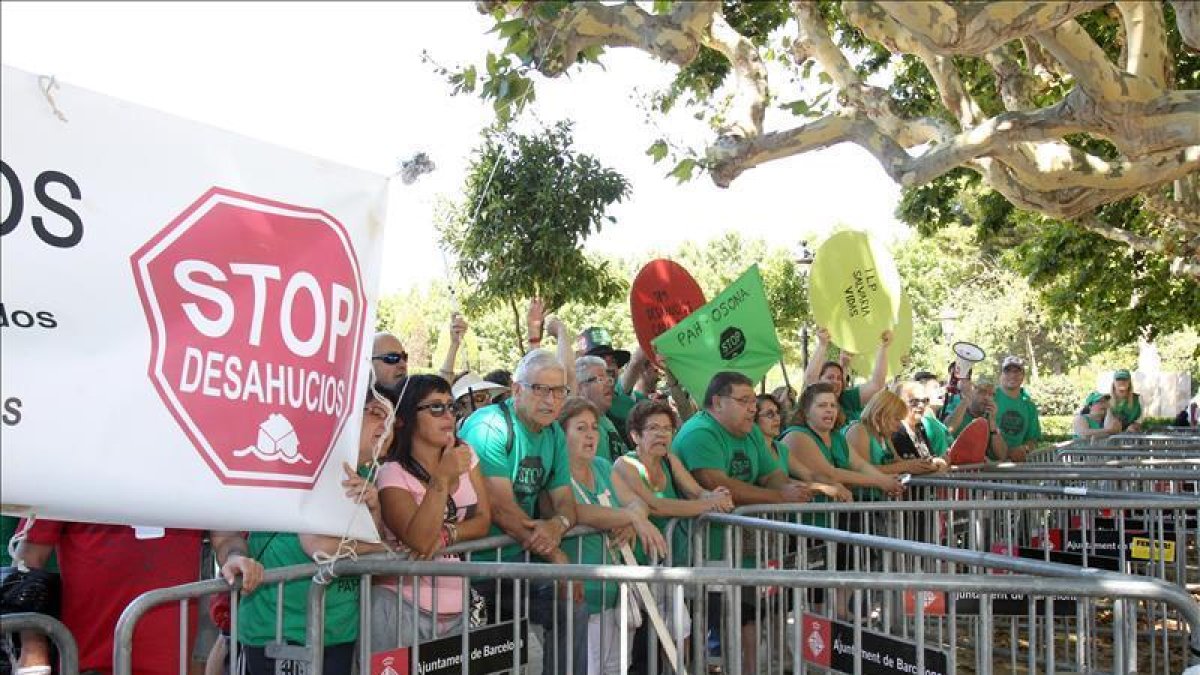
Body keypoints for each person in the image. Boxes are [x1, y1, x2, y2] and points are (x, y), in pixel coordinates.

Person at [238, 385, 396, 675]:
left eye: (392, 420)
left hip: (337, 630)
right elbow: (318, 545)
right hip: (280, 630)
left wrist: (374, 510)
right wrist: (382, 549)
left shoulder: (363, 474)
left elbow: (373, 545)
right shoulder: (315, 462)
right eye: (375, 413)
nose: (385, 427)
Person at [672, 372, 813, 675]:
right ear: (718, 402)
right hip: (702, 552)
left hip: (742, 553)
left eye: (753, 401)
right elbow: (716, 483)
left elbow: (770, 471)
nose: (752, 408)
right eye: (744, 400)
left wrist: (785, 488)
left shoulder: (749, 433)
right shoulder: (700, 433)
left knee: (742, 621)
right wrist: (779, 496)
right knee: (701, 631)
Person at [459, 349, 587, 675]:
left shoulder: (554, 433)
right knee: (486, 661)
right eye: (540, 389)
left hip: (519, 558)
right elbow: (500, 508)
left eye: (559, 391)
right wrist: (557, 557)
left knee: (571, 606)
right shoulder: (489, 426)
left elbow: (565, 503)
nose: (551, 400)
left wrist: (557, 525)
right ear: (517, 389)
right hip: (473, 568)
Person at [11, 523, 262, 675]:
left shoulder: (188, 460)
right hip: (90, 662)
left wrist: (234, 557)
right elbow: (28, 561)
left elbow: (227, 537)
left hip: (171, 664)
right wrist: (34, 648)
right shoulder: (74, 461)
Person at [614, 399, 734, 674]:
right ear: (635, 435)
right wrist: (708, 504)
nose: (661, 434)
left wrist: (716, 495)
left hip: (667, 565)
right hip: (635, 568)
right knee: (640, 649)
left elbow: (695, 491)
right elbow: (657, 505)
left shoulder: (670, 460)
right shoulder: (626, 465)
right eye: (653, 428)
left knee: (679, 633)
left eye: (667, 429)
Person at [375, 374, 493, 649]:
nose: (448, 415)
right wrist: (441, 479)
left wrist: (445, 535)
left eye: (451, 406)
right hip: (401, 604)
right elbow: (418, 539)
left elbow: (484, 520)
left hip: (458, 604)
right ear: (406, 417)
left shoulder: (465, 454)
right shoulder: (391, 472)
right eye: (435, 407)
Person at [557, 397, 667, 675]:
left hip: (615, 594)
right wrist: (629, 518)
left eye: (594, 427)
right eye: (580, 428)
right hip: (583, 596)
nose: (591, 434)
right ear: (561, 433)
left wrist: (632, 519)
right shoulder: (556, 472)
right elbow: (576, 512)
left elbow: (637, 503)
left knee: (618, 667)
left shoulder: (603, 466)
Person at [756, 395, 850, 502]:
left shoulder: (781, 448)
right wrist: (823, 488)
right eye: (769, 414)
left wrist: (834, 484)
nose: (777, 418)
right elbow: (782, 483)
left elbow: (809, 474)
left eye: (777, 413)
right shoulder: (754, 448)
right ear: (754, 418)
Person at [844, 390, 941, 490]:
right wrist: (905, 466)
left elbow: (898, 462)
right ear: (879, 415)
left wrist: (924, 465)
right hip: (860, 500)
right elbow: (862, 470)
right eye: (896, 419)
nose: (899, 424)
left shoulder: (884, 435)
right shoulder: (859, 430)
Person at [803, 328, 893, 425]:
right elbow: (810, 378)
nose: (836, 381)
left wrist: (883, 348)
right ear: (819, 380)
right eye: (830, 377)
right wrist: (822, 345)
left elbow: (876, 385)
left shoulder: (847, 398)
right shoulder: (811, 398)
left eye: (839, 378)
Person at [576, 355, 630, 462]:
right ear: (581, 388)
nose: (608, 384)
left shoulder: (606, 420)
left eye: (608, 379)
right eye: (600, 379)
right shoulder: (580, 425)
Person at [943, 379, 1012, 461]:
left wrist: (993, 423)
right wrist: (966, 401)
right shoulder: (959, 410)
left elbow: (1002, 455)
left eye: (991, 395)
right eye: (982, 392)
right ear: (972, 393)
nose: (987, 398)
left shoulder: (990, 419)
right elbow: (946, 431)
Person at [890, 381, 951, 467]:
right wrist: (937, 462)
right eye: (914, 401)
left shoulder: (919, 426)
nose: (921, 405)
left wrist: (942, 458)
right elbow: (912, 466)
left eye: (925, 401)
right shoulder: (897, 431)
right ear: (898, 403)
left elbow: (929, 457)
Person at [993, 356, 1041, 462]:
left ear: (1023, 375)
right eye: (1007, 371)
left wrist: (1024, 449)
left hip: (1015, 467)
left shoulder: (1029, 406)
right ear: (1000, 375)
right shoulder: (990, 397)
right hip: (986, 465)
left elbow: (1033, 439)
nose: (1012, 375)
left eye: (1016, 371)